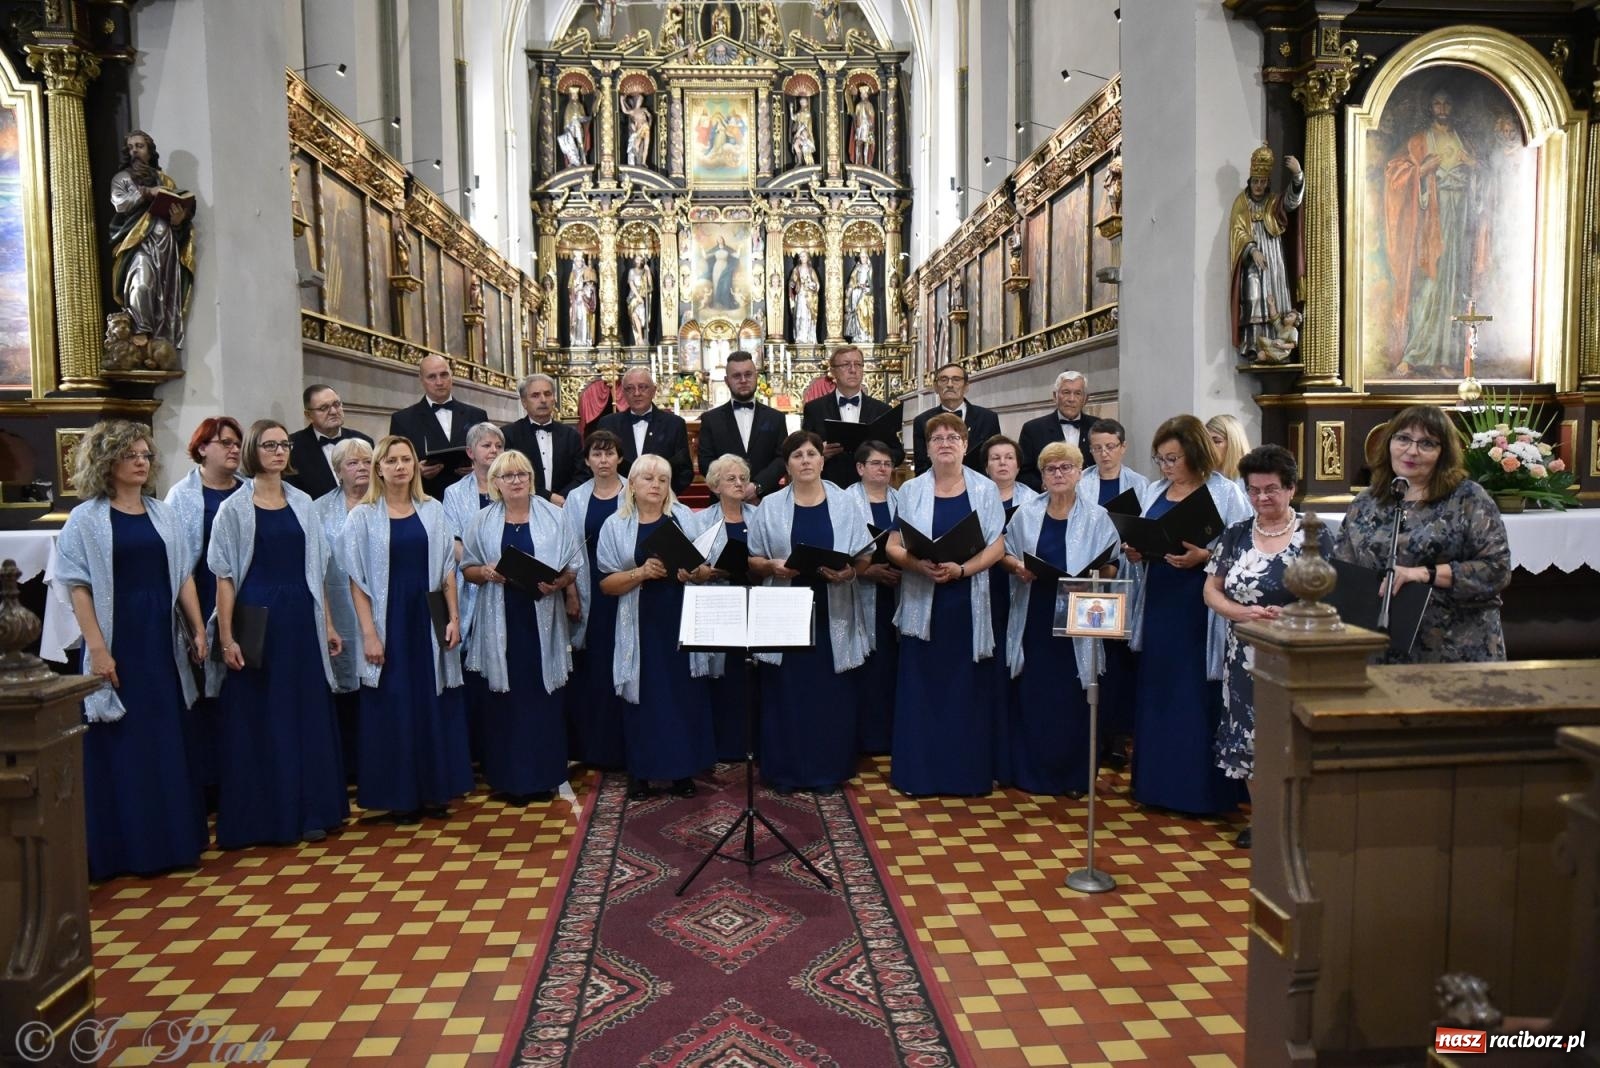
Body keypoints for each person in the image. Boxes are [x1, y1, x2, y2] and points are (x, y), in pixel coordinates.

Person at [55, 420, 208, 880]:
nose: (141, 462)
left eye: (145, 455)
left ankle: (173, 842)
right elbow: (78, 587)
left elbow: (183, 574)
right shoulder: (86, 519)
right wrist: (98, 649)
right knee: (124, 739)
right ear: (107, 463)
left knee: (165, 736)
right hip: (117, 636)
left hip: (160, 638)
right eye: (130, 455)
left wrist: (198, 629)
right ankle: (124, 849)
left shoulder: (163, 513)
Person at [207, 420, 347, 848]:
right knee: (263, 718)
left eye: (284, 444)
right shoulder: (234, 508)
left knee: (306, 714)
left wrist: (328, 623)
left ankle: (313, 811)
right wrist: (227, 638)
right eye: (269, 445)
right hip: (258, 619)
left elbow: (317, 569)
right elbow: (224, 577)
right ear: (253, 450)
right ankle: (267, 816)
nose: (279, 451)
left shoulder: (303, 501)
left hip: (302, 617)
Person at [1203, 445, 1334, 848]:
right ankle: (1263, 819)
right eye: (1254, 490)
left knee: (1292, 736)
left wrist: (1293, 615)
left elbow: (1336, 594)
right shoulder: (1237, 533)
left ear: (1291, 488)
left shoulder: (1315, 535)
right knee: (1248, 737)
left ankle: (1297, 820)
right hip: (1244, 654)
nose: (1262, 497)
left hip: (1296, 654)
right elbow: (1211, 589)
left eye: (1271, 489)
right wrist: (1240, 613)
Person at [1124, 415, 1251, 816]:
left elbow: (1246, 549)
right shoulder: (1155, 491)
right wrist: (1137, 550)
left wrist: (1206, 556)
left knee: (1195, 692)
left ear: (1195, 454)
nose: (1165, 467)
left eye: (1173, 459)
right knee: (1158, 688)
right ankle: (1155, 786)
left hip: (1200, 605)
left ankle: (1200, 793)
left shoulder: (1226, 492)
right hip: (1160, 598)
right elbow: (1146, 533)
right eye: (1160, 459)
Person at [339, 435, 470, 823]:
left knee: (431, 701)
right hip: (388, 619)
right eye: (392, 460)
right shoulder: (362, 516)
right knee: (393, 704)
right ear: (379, 468)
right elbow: (357, 581)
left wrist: (454, 618)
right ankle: (400, 796)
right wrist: (369, 634)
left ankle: (434, 791)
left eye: (406, 460)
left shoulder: (432, 510)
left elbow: (447, 569)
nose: (400, 467)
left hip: (426, 615)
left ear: (415, 466)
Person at [885, 413, 1007, 796]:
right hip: (923, 601)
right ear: (927, 447)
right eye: (937, 438)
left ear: (965, 445)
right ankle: (918, 776)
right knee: (922, 690)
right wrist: (916, 564)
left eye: (953, 437)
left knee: (965, 690)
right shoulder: (910, 490)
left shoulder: (985, 489)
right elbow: (892, 546)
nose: (945, 443)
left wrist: (963, 569)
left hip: (966, 602)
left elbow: (998, 545)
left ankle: (966, 776)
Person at [1333, 405, 1511, 663]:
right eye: (1403, 438)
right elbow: (1344, 572)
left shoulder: (1468, 498)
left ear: (1444, 453)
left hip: (1455, 649)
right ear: (1389, 442)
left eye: (1427, 443)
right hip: (1381, 648)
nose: (1412, 451)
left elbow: (1496, 570)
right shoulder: (1365, 502)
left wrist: (1423, 574)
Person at [747, 432, 872, 793]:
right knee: (786, 691)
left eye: (811, 454)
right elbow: (753, 558)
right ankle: (784, 771)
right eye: (797, 455)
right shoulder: (770, 505)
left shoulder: (846, 502)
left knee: (830, 693)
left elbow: (864, 555)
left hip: (832, 607)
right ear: (787, 465)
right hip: (786, 609)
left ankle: (828, 771)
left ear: (822, 460)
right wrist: (772, 566)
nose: (805, 460)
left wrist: (849, 573)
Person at [462, 450, 581, 803]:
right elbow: (468, 568)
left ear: (531, 479)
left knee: (543, 697)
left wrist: (560, 584)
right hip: (500, 618)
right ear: (495, 483)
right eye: (508, 476)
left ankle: (545, 777)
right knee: (506, 701)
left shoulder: (555, 516)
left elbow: (573, 566)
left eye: (522, 474)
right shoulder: (482, 520)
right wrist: (486, 572)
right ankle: (510, 780)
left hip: (541, 615)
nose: (516, 481)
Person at [1001, 441, 1120, 795]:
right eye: (1050, 469)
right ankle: (1030, 773)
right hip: (1035, 611)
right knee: (1036, 693)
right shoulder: (1026, 513)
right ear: (1041, 476)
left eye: (1066, 467)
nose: (1058, 474)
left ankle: (1074, 777)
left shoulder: (1097, 516)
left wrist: (1094, 577)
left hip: (1079, 616)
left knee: (1074, 694)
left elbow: (1112, 564)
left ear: (1079, 472)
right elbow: (1006, 553)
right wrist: (1017, 567)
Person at [596, 455, 716, 799]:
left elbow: (706, 569)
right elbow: (606, 584)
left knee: (682, 694)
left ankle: (682, 771)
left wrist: (695, 572)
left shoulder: (685, 518)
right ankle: (641, 772)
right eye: (648, 478)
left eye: (663, 480)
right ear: (632, 484)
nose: (656, 485)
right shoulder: (615, 525)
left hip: (679, 618)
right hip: (639, 622)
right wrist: (641, 572)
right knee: (643, 696)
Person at [164, 415, 246, 803]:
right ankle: (211, 782)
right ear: (201, 449)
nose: (234, 449)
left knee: (242, 691)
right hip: (201, 599)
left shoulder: (247, 490)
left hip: (246, 604)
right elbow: (179, 563)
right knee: (206, 694)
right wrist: (196, 623)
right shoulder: (181, 497)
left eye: (237, 443)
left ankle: (244, 775)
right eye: (225, 443)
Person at [1385, 91, 1489, 376]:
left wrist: (1475, 168)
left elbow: (1484, 177)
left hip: (1460, 220)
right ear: (1430, 107)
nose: (1442, 108)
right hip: (1431, 221)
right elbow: (1394, 174)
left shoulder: (1464, 141)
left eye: (1447, 103)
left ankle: (1446, 356)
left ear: (1452, 106)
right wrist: (1420, 171)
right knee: (1430, 283)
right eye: (1437, 103)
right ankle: (1416, 352)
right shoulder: (1419, 141)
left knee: (1453, 284)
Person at [562, 430, 628, 769]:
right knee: (596, 666)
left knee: (626, 660)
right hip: (590, 589)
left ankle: (628, 743)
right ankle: (598, 747)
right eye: (597, 454)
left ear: (620, 458)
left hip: (627, 587)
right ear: (587, 461)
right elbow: (568, 547)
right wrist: (571, 592)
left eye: (610, 453)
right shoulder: (576, 498)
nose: (603, 460)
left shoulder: (634, 489)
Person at [442, 422, 504, 765]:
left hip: (506, 584)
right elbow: (451, 540)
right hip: (469, 585)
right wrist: (479, 565)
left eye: (498, 445)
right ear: (470, 452)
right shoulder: (454, 493)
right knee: (471, 666)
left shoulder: (511, 483)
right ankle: (474, 748)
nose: (493, 451)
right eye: (486, 445)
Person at [313, 437, 373, 780]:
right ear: (338, 471)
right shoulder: (318, 509)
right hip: (336, 606)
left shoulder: (385, 502)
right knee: (345, 683)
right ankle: (349, 765)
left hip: (378, 606)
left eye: (367, 461)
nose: (362, 468)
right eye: (353, 463)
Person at [695, 454, 760, 762]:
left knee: (753, 674)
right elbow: (692, 563)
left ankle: (753, 742)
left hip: (755, 599)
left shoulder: (759, 515)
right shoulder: (701, 520)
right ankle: (723, 744)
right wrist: (707, 571)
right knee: (723, 676)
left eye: (743, 478)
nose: (739, 483)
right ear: (715, 485)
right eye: (731, 478)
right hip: (718, 602)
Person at [981, 433, 1037, 782]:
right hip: (985, 582)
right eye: (995, 458)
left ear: (1018, 464)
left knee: (1016, 660)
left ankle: (1015, 744)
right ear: (986, 466)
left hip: (1022, 583)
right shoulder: (976, 495)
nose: (1002, 463)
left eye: (1009, 457)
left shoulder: (1033, 499)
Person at [109, 130, 195, 354]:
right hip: (137, 243)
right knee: (142, 284)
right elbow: (120, 203)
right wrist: (148, 192)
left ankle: (160, 341)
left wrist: (178, 221)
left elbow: (178, 217)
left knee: (164, 295)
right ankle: (141, 331)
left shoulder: (165, 180)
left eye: (139, 146)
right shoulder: (122, 179)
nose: (134, 151)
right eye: (130, 147)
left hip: (166, 245)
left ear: (150, 151)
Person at [847, 440, 902, 755]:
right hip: (859, 590)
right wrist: (868, 570)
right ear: (860, 468)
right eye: (875, 463)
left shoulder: (902, 499)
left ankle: (890, 734)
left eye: (887, 463)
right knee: (866, 664)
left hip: (898, 589)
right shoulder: (844, 501)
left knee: (891, 664)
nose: (883, 469)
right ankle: (864, 735)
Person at [1228, 143, 1303, 361]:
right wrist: (1252, 250)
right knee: (1253, 296)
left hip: (1273, 255)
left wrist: (1298, 175)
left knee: (1274, 295)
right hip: (1251, 258)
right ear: (1250, 181)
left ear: (1267, 182)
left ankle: (1276, 345)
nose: (1259, 186)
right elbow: (1237, 231)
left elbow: (1291, 202)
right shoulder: (1241, 203)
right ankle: (1253, 342)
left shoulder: (1273, 201)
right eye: (1255, 181)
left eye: (1262, 182)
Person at [388, 354, 489, 500]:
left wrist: (478, 467)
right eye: (432, 377)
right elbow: (392, 463)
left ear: (452, 376)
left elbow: (493, 456)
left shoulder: (477, 415)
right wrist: (416, 470)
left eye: (444, 375)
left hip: (473, 498)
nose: (439, 382)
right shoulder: (402, 420)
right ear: (421, 380)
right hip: (426, 499)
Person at [801, 345, 904, 487]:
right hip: (828, 487)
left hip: (871, 489)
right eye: (846, 364)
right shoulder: (814, 409)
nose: (853, 370)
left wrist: (879, 457)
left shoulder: (882, 410)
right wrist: (819, 453)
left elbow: (898, 453)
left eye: (858, 364)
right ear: (833, 371)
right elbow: (802, 451)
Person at [696, 350, 788, 497]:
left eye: (748, 374)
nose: (743, 380)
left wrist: (758, 486)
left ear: (756, 376)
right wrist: (732, 488)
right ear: (727, 381)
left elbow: (782, 458)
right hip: (724, 501)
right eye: (736, 376)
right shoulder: (710, 419)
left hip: (766, 499)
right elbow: (705, 462)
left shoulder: (776, 418)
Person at [596, 367, 694, 494]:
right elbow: (599, 466)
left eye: (643, 387)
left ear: (654, 391)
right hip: (618, 499)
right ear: (623, 393)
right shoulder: (608, 424)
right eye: (630, 388)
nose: (637, 393)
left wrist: (663, 495)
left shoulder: (674, 424)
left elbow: (684, 471)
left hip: (661, 499)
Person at [502, 373, 586, 504]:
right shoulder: (509, 434)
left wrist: (563, 498)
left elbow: (582, 474)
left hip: (564, 505)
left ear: (554, 399)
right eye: (535, 395)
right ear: (524, 402)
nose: (543, 400)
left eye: (547, 394)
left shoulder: (571, 435)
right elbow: (507, 475)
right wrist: (548, 497)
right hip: (523, 505)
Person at [287, 385, 372, 499]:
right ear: (308, 415)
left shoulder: (364, 441)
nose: (333, 411)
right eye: (323, 408)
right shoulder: (293, 447)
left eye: (336, 404)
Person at [911, 363, 1001, 473]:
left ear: (966, 387)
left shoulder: (988, 418)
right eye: (944, 379)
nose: (949, 384)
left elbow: (995, 460)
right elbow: (921, 467)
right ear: (936, 387)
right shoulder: (922, 421)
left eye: (956, 379)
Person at [1017, 371, 1096, 490]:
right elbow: (1023, 473)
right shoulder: (1033, 429)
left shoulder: (1097, 427)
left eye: (1078, 393)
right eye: (1066, 392)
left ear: (1085, 399)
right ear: (1055, 396)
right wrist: (1046, 486)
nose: (1071, 399)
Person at [1080, 418, 1150, 506]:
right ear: (1091, 450)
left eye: (1110, 447)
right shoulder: (1080, 482)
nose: (1103, 454)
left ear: (1123, 447)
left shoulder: (1139, 483)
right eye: (1097, 448)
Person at [1206, 414, 1251, 488]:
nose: (1208, 447)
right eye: (1206, 442)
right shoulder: (1200, 478)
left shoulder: (1251, 479)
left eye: (1216, 441)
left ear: (1233, 444)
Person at [789, 250, 820, 344]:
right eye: (801, 256)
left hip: (809, 297)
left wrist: (811, 285)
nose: (803, 258)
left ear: (808, 258)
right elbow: (791, 282)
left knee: (809, 316)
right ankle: (800, 336)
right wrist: (793, 284)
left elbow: (817, 284)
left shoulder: (811, 270)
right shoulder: (796, 270)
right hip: (800, 295)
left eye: (804, 256)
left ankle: (809, 337)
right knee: (800, 315)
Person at [569, 250, 598, 347]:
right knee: (577, 319)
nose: (579, 263)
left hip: (585, 300)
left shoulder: (587, 271)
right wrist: (576, 289)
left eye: (580, 261)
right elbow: (570, 287)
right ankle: (576, 340)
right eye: (577, 261)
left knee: (585, 319)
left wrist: (585, 290)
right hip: (576, 300)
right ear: (575, 262)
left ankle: (585, 340)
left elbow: (591, 285)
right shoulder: (573, 273)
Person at [844, 251, 875, 343]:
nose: (863, 259)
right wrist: (853, 286)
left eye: (864, 257)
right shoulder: (857, 268)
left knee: (865, 313)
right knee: (857, 313)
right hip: (856, 292)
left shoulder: (869, 268)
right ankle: (858, 336)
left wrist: (867, 288)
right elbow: (852, 280)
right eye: (861, 257)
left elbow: (870, 283)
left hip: (865, 294)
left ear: (867, 258)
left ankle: (865, 335)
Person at [557, 86, 590, 168]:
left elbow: (582, 117)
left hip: (578, 126)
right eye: (573, 95)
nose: (575, 96)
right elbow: (567, 119)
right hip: (571, 127)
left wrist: (588, 118)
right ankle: (574, 161)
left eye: (576, 95)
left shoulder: (580, 105)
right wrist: (566, 128)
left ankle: (584, 160)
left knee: (581, 143)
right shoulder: (569, 106)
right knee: (572, 144)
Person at [626, 254, 653, 345]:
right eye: (637, 259)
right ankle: (640, 338)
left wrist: (648, 271)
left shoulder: (644, 271)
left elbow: (650, 284)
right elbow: (631, 284)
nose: (638, 261)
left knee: (641, 320)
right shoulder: (631, 271)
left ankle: (640, 339)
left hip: (642, 297)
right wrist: (637, 296)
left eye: (640, 260)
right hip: (633, 297)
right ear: (635, 260)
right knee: (634, 316)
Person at [621, 92, 652, 168]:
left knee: (646, 146)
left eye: (641, 100)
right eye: (639, 100)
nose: (640, 101)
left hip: (646, 128)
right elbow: (624, 111)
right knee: (637, 144)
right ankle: (636, 158)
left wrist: (649, 119)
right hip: (639, 129)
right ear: (637, 101)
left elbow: (650, 117)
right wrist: (621, 100)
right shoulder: (633, 111)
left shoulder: (643, 109)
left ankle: (644, 162)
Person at [849, 84, 877, 168]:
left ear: (866, 95)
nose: (862, 95)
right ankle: (857, 161)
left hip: (866, 126)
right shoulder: (858, 105)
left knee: (866, 144)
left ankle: (866, 162)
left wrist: (871, 125)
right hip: (860, 127)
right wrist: (857, 125)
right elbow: (857, 116)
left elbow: (872, 117)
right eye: (861, 94)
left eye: (864, 94)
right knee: (858, 144)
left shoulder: (869, 105)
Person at [790, 96, 817, 168]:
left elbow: (805, 124)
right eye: (801, 102)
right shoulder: (799, 112)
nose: (802, 103)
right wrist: (791, 109)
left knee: (805, 147)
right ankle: (799, 161)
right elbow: (793, 117)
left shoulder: (807, 113)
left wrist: (799, 131)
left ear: (807, 103)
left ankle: (808, 163)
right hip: (799, 132)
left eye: (804, 102)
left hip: (805, 132)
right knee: (796, 145)